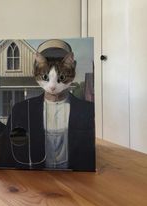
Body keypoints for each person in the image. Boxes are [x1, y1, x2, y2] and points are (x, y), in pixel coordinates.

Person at [6, 39, 95, 171]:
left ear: (73, 68)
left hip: (76, 180)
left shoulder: (87, 110)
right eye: (46, 78)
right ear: (35, 70)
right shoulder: (21, 110)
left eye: (61, 78)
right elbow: (8, 153)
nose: (52, 86)